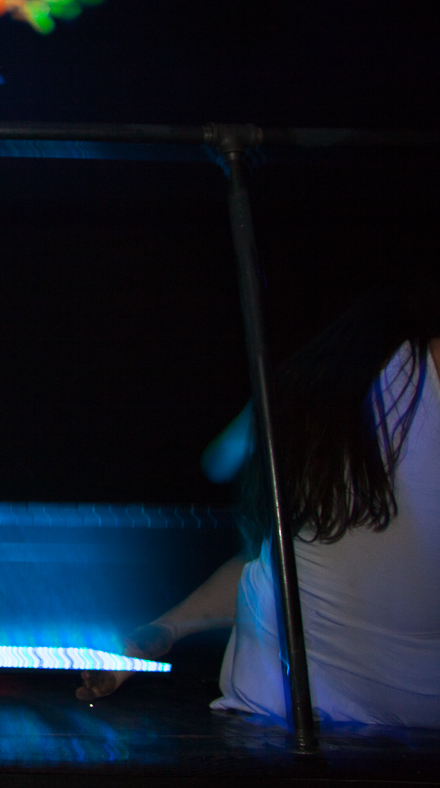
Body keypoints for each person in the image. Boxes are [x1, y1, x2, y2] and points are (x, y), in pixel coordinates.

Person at [78, 284, 440, 727]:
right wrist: (157, 635)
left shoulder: (314, 399)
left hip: (286, 719)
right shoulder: (311, 419)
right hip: (287, 723)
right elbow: (279, 566)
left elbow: (221, 462)